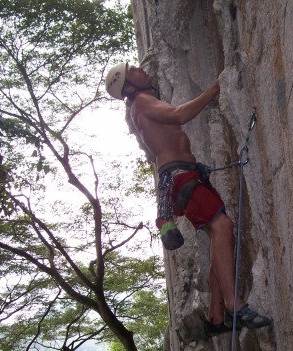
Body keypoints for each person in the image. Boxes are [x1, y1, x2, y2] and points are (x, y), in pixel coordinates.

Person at [105, 62, 271, 335]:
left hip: (182, 175)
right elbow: (180, 114)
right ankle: (234, 305)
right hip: (181, 177)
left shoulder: (140, 106)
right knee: (222, 227)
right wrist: (216, 88)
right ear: (129, 86)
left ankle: (216, 315)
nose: (142, 70)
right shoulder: (143, 101)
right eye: (133, 70)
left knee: (220, 233)